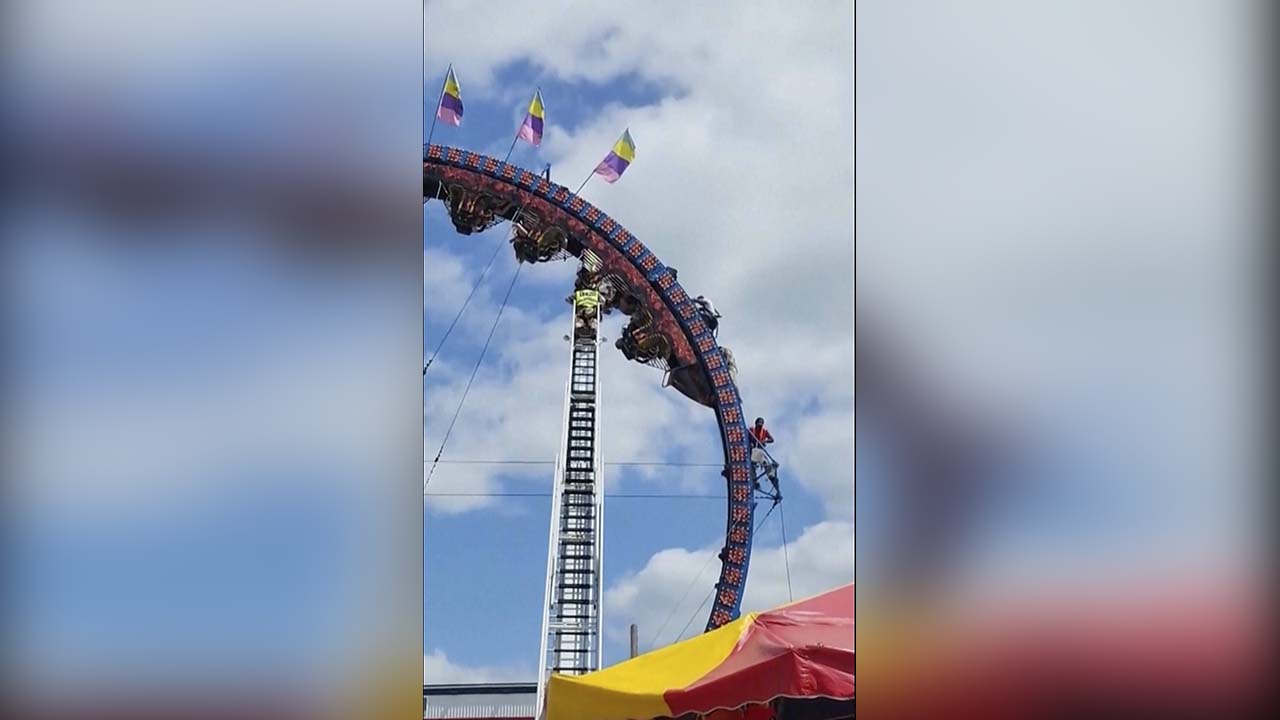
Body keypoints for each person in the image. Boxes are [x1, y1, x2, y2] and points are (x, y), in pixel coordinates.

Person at [748, 417, 780, 497]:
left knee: (768, 467)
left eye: (762, 423)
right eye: (759, 422)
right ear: (756, 423)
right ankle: (755, 481)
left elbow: (772, 439)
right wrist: (751, 443)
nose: (760, 424)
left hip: (760, 451)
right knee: (752, 464)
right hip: (753, 451)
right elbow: (747, 438)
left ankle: (774, 483)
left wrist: (764, 441)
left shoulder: (764, 432)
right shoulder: (751, 430)